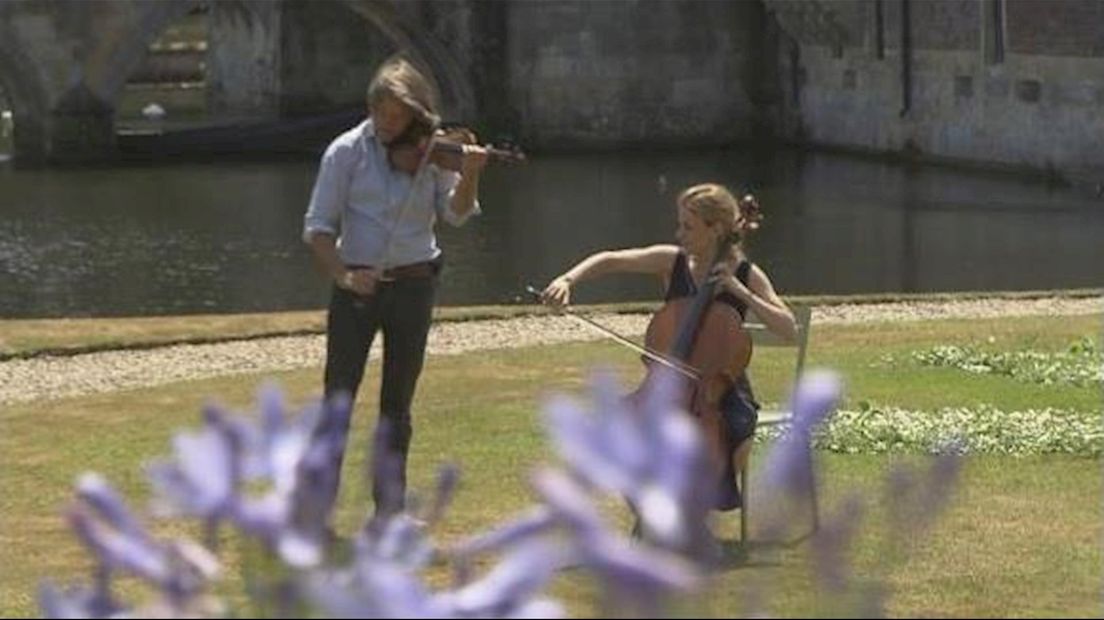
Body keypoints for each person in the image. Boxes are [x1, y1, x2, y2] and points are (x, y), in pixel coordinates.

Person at [302, 55, 488, 525]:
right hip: (357, 287)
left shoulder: (430, 152)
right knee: (338, 399)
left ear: (415, 114)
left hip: (414, 285)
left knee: (397, 406)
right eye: (381, 113)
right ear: (371, 108)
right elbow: (318, 230)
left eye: (398, 116)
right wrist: (344, 275)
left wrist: (471, 173)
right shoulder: (345, 152)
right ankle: (315, 512)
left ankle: (389, 512)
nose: (389, 125)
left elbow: (457, 214)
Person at [541, 182, 796, 511]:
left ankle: (685, 511)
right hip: (666, 386)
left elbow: (788, 329)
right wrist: (567, 280)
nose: (680, 234)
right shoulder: (672, 262)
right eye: (680, 225)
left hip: (723, 392)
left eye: (688, 227)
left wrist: (740, 291)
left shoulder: (746, 274)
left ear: (716, 229)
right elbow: (611, 260)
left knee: (718, 431)